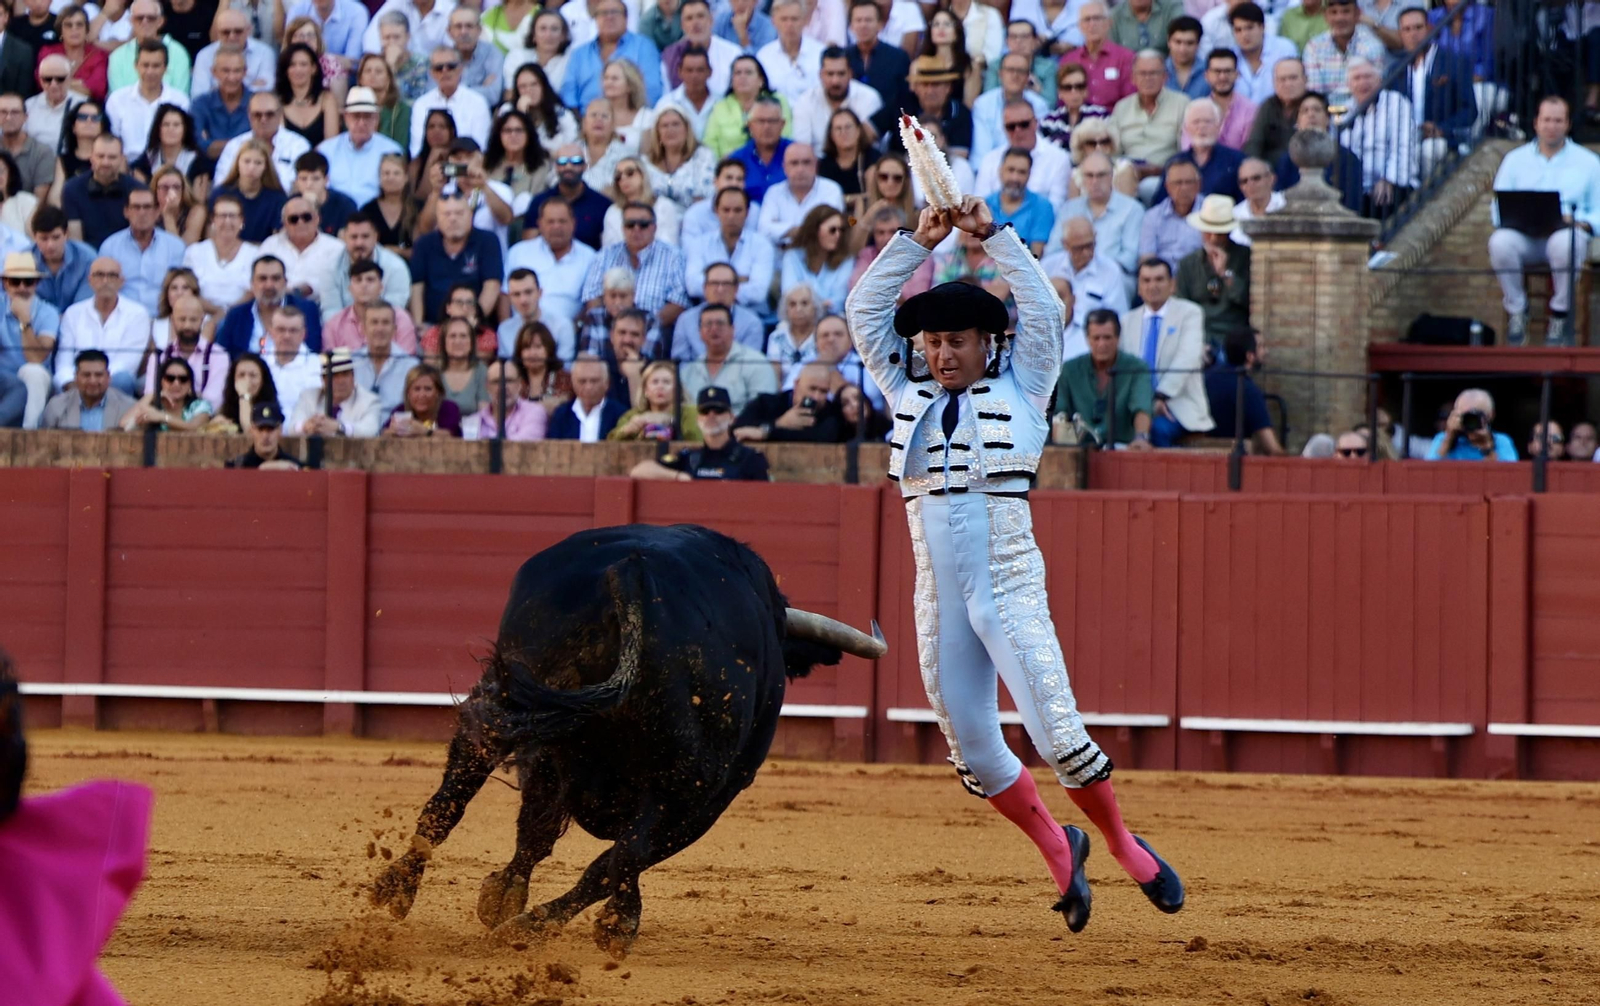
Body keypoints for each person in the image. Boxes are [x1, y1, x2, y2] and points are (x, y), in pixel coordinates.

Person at [846, 195, 1185, 931]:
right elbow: (863, 312)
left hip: (1007, 589)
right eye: (933, 342)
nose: (942, 354)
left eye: (957, 342)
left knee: (1058, 735)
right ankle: (1059, 846)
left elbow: (1044, 310)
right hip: (939, 599)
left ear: (989, 344)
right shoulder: (906, 391)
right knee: (971, 747)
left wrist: (993, 236)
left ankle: (1122, 843)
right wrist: (915, 242)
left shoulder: (1026, 386)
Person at [1488, 96, 1600, 349]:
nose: (1552, 126)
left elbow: (1599, 210)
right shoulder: (1514, 160)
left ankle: (1559, 314)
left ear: (1568, 124)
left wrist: (1580, 222)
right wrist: (1514, 218)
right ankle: (1518, 310)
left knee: (1566, 243)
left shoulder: (1589, 163)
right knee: (1499, 242)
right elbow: (1497, 208)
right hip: (1524, 236)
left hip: (1565, 234)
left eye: (1558, 121)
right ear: (1536, 123)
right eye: (1547, 120)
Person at [1120, 257, 1212, 444]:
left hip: (1177, 405)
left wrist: (1160, 396)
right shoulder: (1126, 321)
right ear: (1138, 287)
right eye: (1146, 280)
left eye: (1159, 279)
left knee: (1157, 429)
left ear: (1172, 284)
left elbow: (1187, 358)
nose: (1152, 286)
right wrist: (1141, 403)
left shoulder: (1190, 313)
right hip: (1135, 406)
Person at [578, 201, 687, 331]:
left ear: (654, 228)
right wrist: (615, 331)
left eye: (643, 225)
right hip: (609, 331)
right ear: (623, 228)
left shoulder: (673, 257)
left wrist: (640, 329)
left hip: (656, 330)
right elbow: (592, 298)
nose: (636, 229)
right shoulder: (604, 256)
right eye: (630, 224)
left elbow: (678, 303)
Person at [1053, 308, 1154, 447]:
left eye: (1107, 337)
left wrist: (1141, 437)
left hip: (1122, 446)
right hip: (1079, 447)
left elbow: (1141, 407)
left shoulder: (1136, 368)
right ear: (1087, 339)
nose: (1102, 344)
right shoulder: (1069, 370)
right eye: (1096, 338)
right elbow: (1058, 412)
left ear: (1118, 337)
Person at [629, 384, 770, 479]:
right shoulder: (688, 457)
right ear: (698, 419)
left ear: (732, 418)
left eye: (718, 411)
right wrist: (678, 476)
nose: (711, 416)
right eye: (705, 411)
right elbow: (639, 471)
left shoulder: (750, 458)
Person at [55, 257, 151, 395]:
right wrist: (79, 383)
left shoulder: (137, 314)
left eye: (112, 275)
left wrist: (93, 381)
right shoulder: (73, 313)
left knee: (123, 379)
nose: (105, 281)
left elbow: (127, 364)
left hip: (113, 384)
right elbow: (64, 363)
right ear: (90, 280)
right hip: (77, 385)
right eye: (99, 275)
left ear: (121, 281)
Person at [1338, 57, 1416, 219]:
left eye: (1368, 77)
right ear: (1349, 85)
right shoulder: (1344, 111)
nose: (1363, 82)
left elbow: (1403, 146)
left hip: (1391, 183)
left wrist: (1388, 179)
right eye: (1357, 78)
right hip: (1355, 187)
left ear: (1379, 80)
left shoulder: (1396, 102)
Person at [410, 191, 503, 325]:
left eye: (459, 213)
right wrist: (418, 324)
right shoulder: (423, 244)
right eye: (446, 214)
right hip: (432, 326)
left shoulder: (488, 241)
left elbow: (492, 286)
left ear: (470, 215)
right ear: (437, 218)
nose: (452, 219)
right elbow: (417, 287)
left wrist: (474, 322)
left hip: (476, 325)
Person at [1107, 50, 1189, 201]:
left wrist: (1161, 170)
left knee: (1147, 186)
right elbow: (1113, 151)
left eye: (1154, 73)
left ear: (1165, 77)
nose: (1148, 78)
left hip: (1163, 173)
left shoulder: (1182, 104)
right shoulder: (1122, 107)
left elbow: (1186, 151)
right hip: (1126, 171)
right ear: (1133, 78)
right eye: (1142, 73)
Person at [560, 0, 663, 110]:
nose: (609, 17)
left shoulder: (644, 47)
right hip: (585, 118)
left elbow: (652, 90)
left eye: (615, 12)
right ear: (595, 19)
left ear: (626, 18)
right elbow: (568, 95)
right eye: (603, 13)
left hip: (633, 117)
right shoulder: (579, 54)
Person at [98, 188, 186, 315]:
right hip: (122, 317)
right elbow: (103, 287)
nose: (142, 213)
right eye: (136, 207)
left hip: (163, 317)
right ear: (126, 212)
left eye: (147, 207)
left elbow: (183, 288)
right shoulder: (110, 246)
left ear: (157, 212)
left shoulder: (175, 246)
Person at [215, 254, 325, 357]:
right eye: (262, 279)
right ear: (252, 284)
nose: (269, 285)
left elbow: (313, 351)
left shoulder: (306, 310)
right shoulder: (236, 315)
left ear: (285, 282)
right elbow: (221, 356)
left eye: (275, 278)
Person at [1175, 194, 1249, 341]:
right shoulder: (1187, 264)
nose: (1214, 238)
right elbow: (1180, 307)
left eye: (1219, 233)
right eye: (1209, 232)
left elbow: (1249, 300)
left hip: (1234, 334)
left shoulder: (1246, 257)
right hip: (1198, 333)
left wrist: (1224, 273)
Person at [678, 302, 776, 411]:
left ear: (732, 329)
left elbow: (763, 410)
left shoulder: (756, 363)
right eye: (708, 324)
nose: (714, 329)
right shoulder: (688, 372)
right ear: (700, 332)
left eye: (720, 323)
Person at [1202, 325, 1283, 454]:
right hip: (1235, 459)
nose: (1266, 351)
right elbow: (1271, 447)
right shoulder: (1248, 390)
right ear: (1250, 356)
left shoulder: (1206, 378)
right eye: (1261, 347)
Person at [973, 99, 1069, 206]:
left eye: (1024, 124)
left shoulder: (1059, 159)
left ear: (1035, 124)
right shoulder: (990, 160)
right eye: (1011, 126)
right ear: (1004, 129)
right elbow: (980, 205)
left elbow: (1055, 208)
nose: (1017, 131)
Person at [0, 252, 58, 429]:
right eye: (15, 281)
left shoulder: (48, 312)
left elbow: (36, 358)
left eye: (28, 281)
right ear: (5, 283)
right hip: (2, 376)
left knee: (33, 372)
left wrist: (25, 320)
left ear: (36, 283)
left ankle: (28, 434)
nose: (22, 287)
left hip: (32, 378)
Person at [139, 292, 228, 407]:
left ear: (202, 320)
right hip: (163, 415)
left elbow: (213, 401)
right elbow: (151, 395)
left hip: (203, 417)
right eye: (182, 319)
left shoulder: (218, 355)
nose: (187, 326)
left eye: (193, 320)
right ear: (172, 320)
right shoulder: (159, 355)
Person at [212, 93, 313, 192]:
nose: (263, 119)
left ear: (280, 114)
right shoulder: (234, 146)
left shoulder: (298, 145)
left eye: (269, 114)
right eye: (257, 115)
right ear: (249, 116)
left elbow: (307, 185)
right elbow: (220, 185)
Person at [731, 359, 849, 443]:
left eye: (823, 391)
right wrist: (779, 423)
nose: (816, 397)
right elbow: (737, 428)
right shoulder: (767, 403)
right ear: (796, 384)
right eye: (812, 389)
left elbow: (823, 436)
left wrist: (768, 433)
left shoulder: (831, 412)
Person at [62, 135, 149, 249]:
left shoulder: (138, 190)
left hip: (127, 253)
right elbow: (76, 241)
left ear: (122, 159)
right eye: (100, 156)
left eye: (112, 157)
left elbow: (141, 235)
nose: (105, 162)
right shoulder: (72, 189)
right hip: (88, 256)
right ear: (91, 157)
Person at [791, 45, 883, 152]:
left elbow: (871, 145)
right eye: (830, 74)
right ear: (821, 75)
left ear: (850, 74)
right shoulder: (805, 102)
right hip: (818, 161)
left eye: (841, 74)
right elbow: (803, 148)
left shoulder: (869, 98)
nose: (835, 81)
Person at [258, 196, 346, 306]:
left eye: (306, 217)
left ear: (317, 219)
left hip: (320, 308)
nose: (300, 222)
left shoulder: (336, 248)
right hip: (275, 305)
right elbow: (258, 276)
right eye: (293, 219)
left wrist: (306, 289)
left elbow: (340, 283)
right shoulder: (270, 245)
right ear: (284, 224)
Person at [522, 144, 612, 249]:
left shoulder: (602, 204)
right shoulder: (539, 201)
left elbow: (608, 247)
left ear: (585, 166)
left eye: (576, 161)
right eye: (562, 162)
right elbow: (529, 245)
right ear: (556, 167)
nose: (568, 167)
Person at [757, 142, 844, 246]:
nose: (800, 169)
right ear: (785, 167)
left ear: (816, 165)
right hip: (780, 253)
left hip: (818, 252)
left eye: (806, 162)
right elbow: (763, 229)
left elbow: (830, 228)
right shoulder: (774, 192)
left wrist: (782, 229)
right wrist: (805, 230)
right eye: (794, 163)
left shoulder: (831, 189)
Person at [1302, 0, 1384, 108]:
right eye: (1333, 12)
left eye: (1346, 12)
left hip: (1363, 111)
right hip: (1325, 112)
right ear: (1325, 16)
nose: (1339, 18)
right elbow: (1315, 92)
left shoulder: (1372, 46)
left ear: (1357, 14)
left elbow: (1373, 89)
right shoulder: (1314, 47)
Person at [287, 347, 383, 437]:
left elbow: (370, 431)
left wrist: (339, 427)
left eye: (345, 374)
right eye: (334, 375)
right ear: (323, 380)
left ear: (353, 376)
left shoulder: (370, 401)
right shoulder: (308, 397)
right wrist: (305, 426)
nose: (341, 381)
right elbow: (291, 428)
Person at [106, 0, 193, 95]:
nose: (145, 22)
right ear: (131, 21)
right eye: (139, 18)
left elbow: (180, 96)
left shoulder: (179, 53)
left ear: (160, 21)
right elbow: (117, 97)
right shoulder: (117, 57)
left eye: (151, 18)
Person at [40, 349, 138, 430]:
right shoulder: (56, 406)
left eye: (98, 375)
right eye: (86, 375)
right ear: (76, 377)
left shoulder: (128, 407)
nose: (92, 381)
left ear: (108, 377)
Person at [780, 205, 852, 314]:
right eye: (832, 230)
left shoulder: (846, 260)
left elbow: (839, 299)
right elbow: (789, 294)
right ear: (814, 230)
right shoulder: (792, 256)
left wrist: (810, 304)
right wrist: (818, 304)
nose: (838, 235)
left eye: (841, 230)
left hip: (833, 318)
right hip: (798, 317)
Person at [986, 148, 1056, 256]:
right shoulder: (986, 204)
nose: (1015, 178)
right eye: (1011, 170)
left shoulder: (1042, 207)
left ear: (1029, 175)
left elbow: (1035, 257)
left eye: (1022, 172)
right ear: (1000, 171)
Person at [608, 358, 698, 441]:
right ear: (645, 390)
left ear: (678, 389)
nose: (660, 387)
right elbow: (610, 443)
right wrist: (629, 428)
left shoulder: (691, 412)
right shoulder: (632, 416)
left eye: (666, 382)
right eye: (655, 382)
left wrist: (671, 421)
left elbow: (696, 440)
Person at [193, 11, 278, 95]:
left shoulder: (264, 52)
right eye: (226, 32)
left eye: (238, 31)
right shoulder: (204, 55)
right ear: (218, 33)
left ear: (248, 30)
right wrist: (251, 87)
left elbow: (266, 90)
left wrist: (217, 91)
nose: (232, 37)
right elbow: (199, 95)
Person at [1139, 158, 1203, 270]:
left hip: (1199, 275)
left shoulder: (1210, 213)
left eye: (1189, 182)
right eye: (1178, 183)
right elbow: (1147, 257)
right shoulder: (1152, 217)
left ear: (1199, 185)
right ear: (1167, 187)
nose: (1183, 188)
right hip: (1163, 276)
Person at [124, 354, 215, 431]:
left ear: (190, 385)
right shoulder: (154, 405)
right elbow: (123, 426)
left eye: (183, 379)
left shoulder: (200, 406)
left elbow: (194, 428)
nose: (176, 383)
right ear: (161, 382)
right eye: (170, 378)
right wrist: (153, 395)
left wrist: (162, 417)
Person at [1242, 56, 1304, 167]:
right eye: (1282, 79)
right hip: (1270, 170)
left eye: (1293, 78)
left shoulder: (1314, 105)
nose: (1287, 84)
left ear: (1305, 80)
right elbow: (1254, 143)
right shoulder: (1268, 106)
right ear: (1274, 83)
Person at [1425, 387, 1517, 461]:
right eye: (1465, 416)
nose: (1470, 421)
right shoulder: (1442, 439)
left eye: (1475, 417)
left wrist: (1487, 447)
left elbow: (1507, 474)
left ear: (1490, 416)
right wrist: (1449, 438)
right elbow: (1430, 472)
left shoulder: (1500, 441)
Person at [32, 207, 96, 314]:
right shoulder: (23, 259)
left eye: (56, 237)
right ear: (34, 237)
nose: (50, 245)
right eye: (44, 238)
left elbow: (84, 305)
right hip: (38, 321)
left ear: (66, 234)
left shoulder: (87, 259)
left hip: (78, 320)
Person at [39, 6, 109, 103]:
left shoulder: (99, 55)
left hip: (86, 106)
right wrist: (79, 84)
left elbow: (97, 89)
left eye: (79, 25)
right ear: (61, 31)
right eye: (69, 25)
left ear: (86, 30)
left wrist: (59, 82)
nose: (74, 29)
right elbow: (42, 82)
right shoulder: (48, 52)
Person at [547, 353, 625, 439]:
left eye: (594, 381)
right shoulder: (561, 415)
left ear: (606, 383)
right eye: (582, 381)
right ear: (573, 383)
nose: (588, 387)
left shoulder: (620, 415)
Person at [380, 361, 463, 437]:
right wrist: (392, 432)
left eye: (428, 389)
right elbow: (384, 433)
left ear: (438, 392)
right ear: (408, 393)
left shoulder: (449, 408)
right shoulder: (401, 410)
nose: (422, 395)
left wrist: (424, 431)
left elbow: (449, 435)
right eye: (417, 389)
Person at [225, 400, 304, 468]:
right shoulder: (237, 467)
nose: (265, 436)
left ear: (280, 430)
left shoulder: (294, 466)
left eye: (270, 429)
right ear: (252, 430)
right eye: (260, 429)